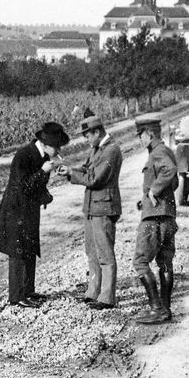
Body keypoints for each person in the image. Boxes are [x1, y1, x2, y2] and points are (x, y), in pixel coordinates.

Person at [0, 122, 70, 308]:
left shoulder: (42, 155)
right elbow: (22, 187)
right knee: (18, 252)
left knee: (30, 248)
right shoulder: (24, 155)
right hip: (16, 210)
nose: (58, 150)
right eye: (56, 147)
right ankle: (17, 296)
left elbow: (36, 187)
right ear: (45, 144)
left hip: (29, 210)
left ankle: (28, 290)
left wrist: (45, 195)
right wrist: (43, 172)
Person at [57, 113, 122, 310]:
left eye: (87, 135)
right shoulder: (97, 149)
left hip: (103, 208)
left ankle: (107, 297)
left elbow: (95, 179)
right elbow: (86, 169)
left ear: (96, 132)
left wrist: (71, 174)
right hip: (92, 208)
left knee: (105, 254)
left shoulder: (111, 151)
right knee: (92, 252)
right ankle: (93, 292)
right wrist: (69, 170)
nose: (86, 139)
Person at [132, 112, 178, 324]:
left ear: (149, 134)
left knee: (141, 262)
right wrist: (148, 197)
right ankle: (166, 309)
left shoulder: (157, 152)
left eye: (140, 134)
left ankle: (156, 308)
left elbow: (169, 170)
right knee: (165, 262)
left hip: (154, 219)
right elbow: (175, 183)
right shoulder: (166, 150)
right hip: (168, 216)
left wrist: (154, 190)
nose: (139, 139)